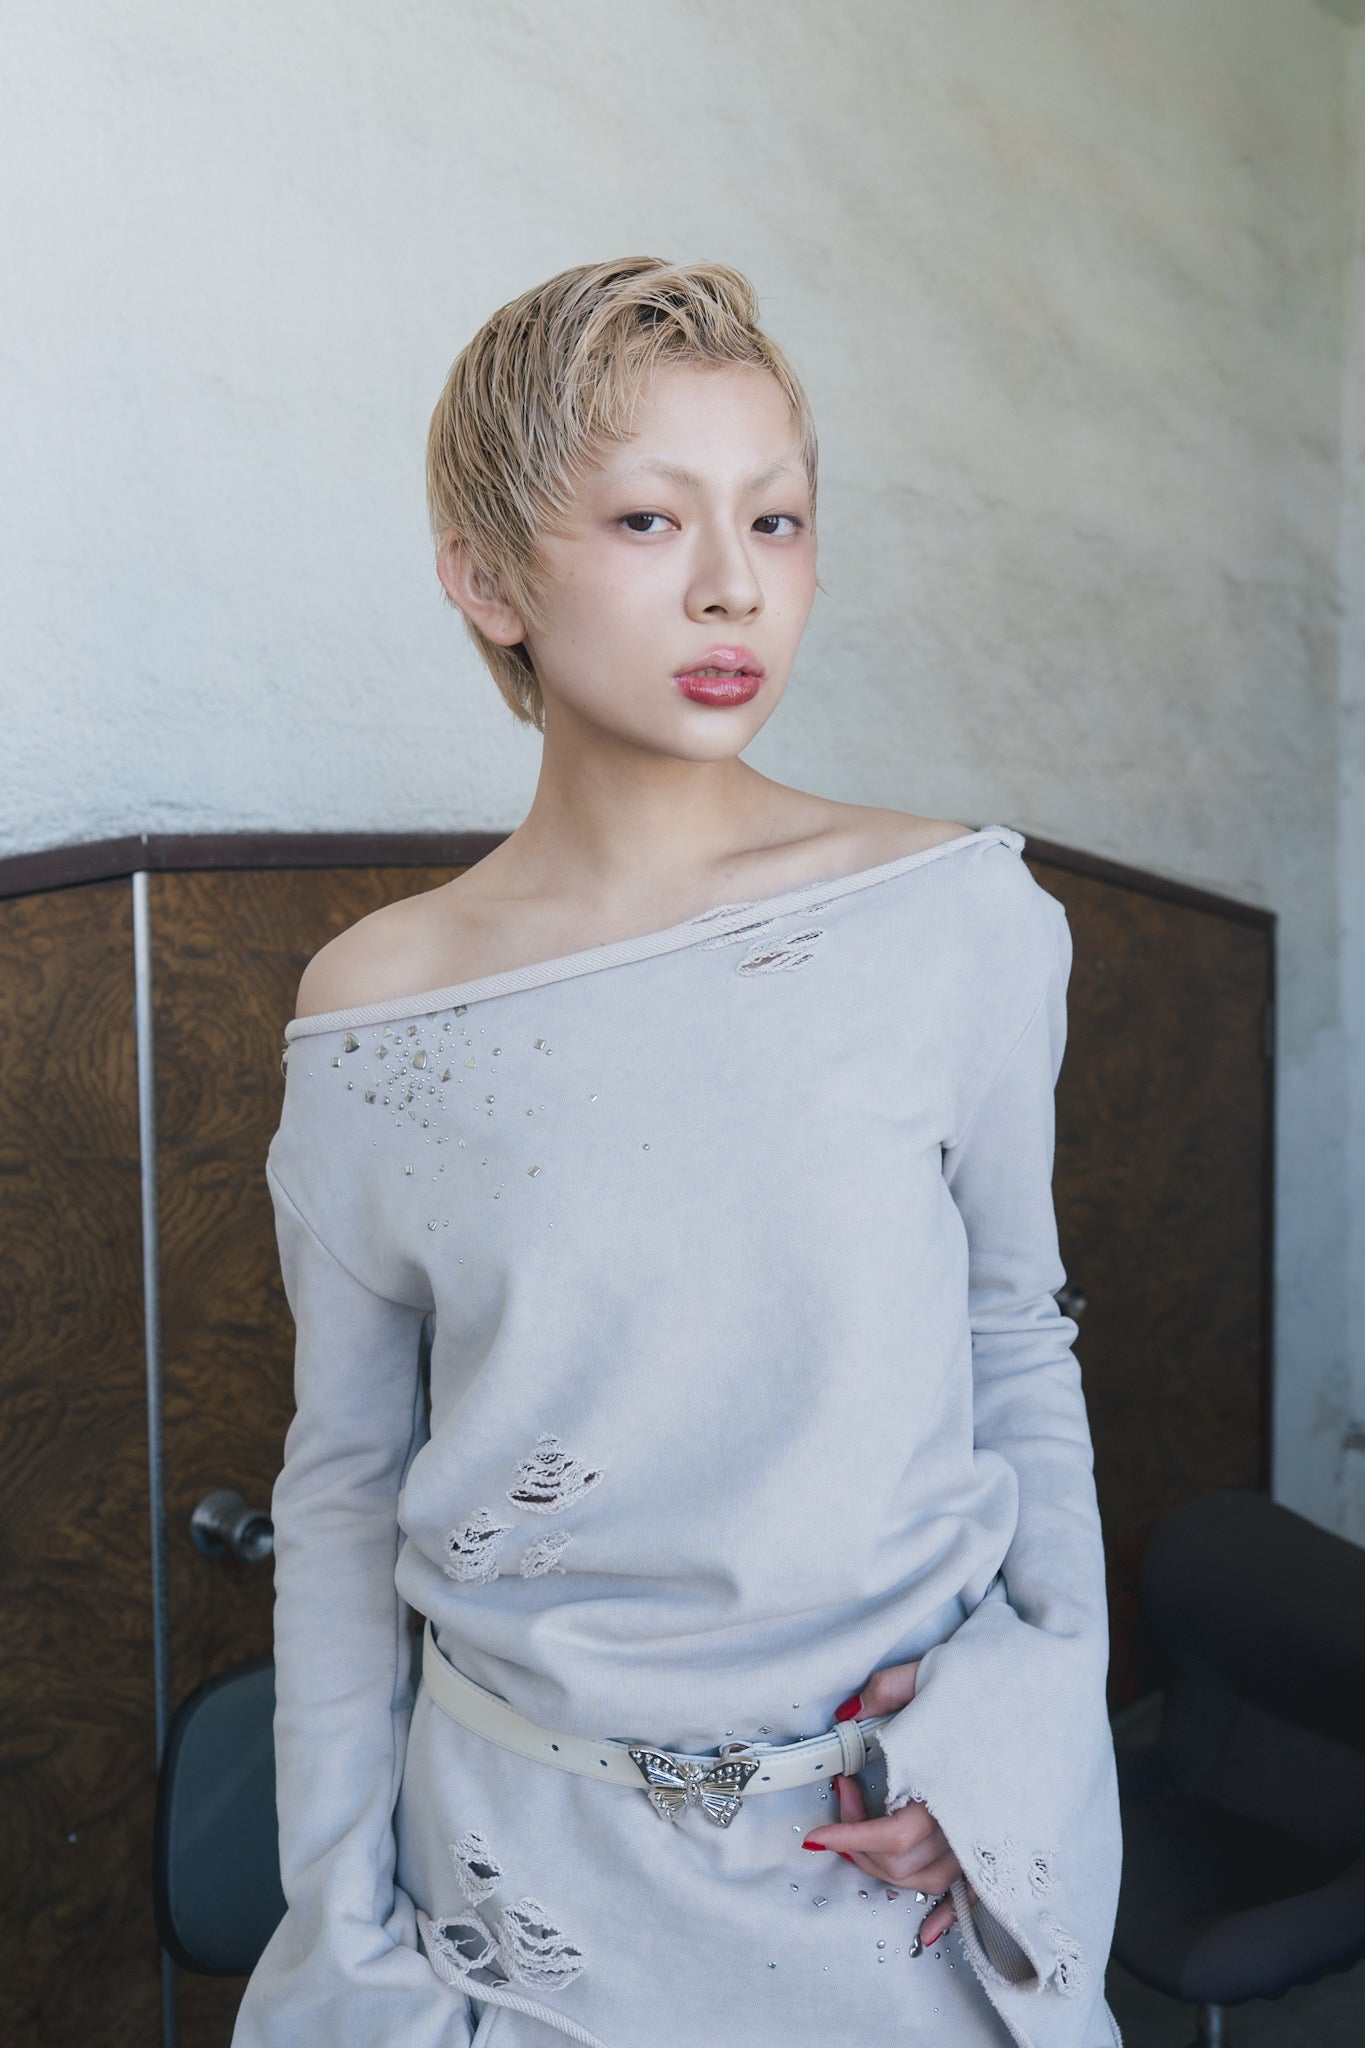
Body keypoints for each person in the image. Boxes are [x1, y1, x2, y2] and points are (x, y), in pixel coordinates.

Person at [231, 256, 1123, 2048]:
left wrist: (1018, 1745)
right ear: (486, 580)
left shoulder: (954, 918)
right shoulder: (374, 1010)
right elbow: (337, 1501)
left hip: (897, 1882)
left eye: (774, 519)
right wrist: (347, 1945)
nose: (733, 585)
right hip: (522, 1898)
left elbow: (1014, 1346)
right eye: (648, 519)